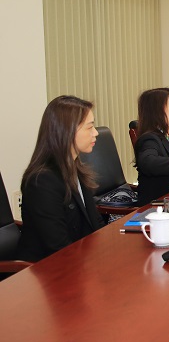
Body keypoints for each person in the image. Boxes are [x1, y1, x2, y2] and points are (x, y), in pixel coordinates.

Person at [16, 96, 106, 262]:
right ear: (67, 131)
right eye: (89, 127)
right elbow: (58, 247)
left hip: (80, 260)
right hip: (46, 270)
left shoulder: (75, 168)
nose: (96, 133)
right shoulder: (41, 181)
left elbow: (95, 223)